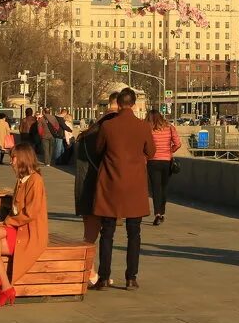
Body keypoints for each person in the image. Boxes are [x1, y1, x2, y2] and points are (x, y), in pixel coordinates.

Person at [92, 88, 155, 290]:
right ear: (134, 104)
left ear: (118, 104)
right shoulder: (143, 126)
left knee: (107, 232)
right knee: (134, 233)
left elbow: (98, 149)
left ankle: (103, 277)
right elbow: (151, 152)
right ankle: (131, 277)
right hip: (134, 185)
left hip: (110, 183)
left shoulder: (108, 126)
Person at [0, 143, 48, 307]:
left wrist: (6, 222)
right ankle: (6, 288)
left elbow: (30, 214)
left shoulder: (35, 181)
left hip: (30, 232)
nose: (11, 162)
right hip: (18, 228)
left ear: (23, 158)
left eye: (13, 158)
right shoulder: (21, 180)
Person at [75, 93, 120, 286]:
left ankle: (90, 271)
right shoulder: (107, 130)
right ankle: (91, 272)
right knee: (98, 233)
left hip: (84, 186)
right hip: (98, 187)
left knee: (90, 233)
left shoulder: (90, 131)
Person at [147, 109, 181, 226]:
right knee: (163, 187)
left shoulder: (149, 129)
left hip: (152, 162)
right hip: (166, 162)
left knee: (155, 188)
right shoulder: (170, 127)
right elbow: (178, 144)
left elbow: (145, 145)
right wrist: (169, 151)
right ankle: (162, 213)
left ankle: (157, 213)